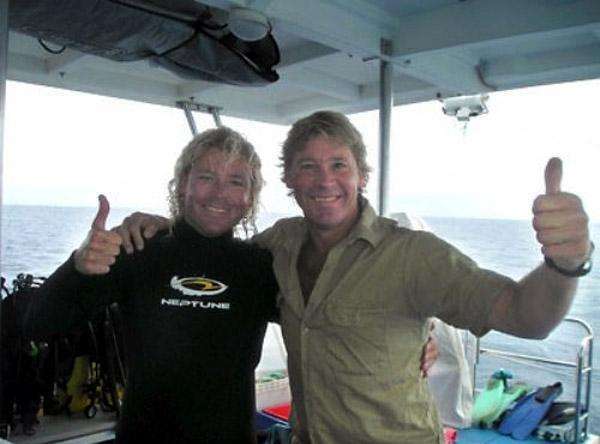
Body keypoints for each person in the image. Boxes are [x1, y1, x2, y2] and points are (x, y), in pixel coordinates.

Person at [116, 111, 593, 444]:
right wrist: (162, 228)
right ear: (290, 181)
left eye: (338, 165)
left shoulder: (414, 255)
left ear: (361, 174)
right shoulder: (275, 247)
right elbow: (214, 260)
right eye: (309, 167)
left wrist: (564, 263)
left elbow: (526, 317)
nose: (325, 180)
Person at [24, 127, 279, 443]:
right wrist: (76, 266)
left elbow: (324, 329)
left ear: (250, 196)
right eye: (207, 177)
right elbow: (38, 323)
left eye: (236, 182)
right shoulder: (137, 250)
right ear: (183, 182)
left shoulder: (260, 267)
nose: (219, 193)